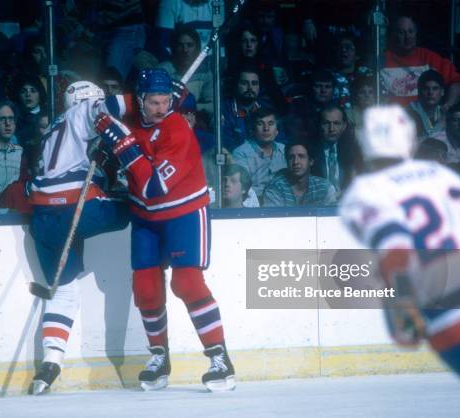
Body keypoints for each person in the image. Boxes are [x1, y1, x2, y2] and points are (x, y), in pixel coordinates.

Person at [339, 105, 460, 396]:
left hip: (457, 317)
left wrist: (401, 304)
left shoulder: (363, 192)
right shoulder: (441, 174)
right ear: (411, 140)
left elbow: (395, 249)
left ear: (363, 144)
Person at [94, 68, 236, 392]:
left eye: (165, 101)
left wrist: (123, 145)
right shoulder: (133, 114)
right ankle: (159, 357)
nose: (161, 109)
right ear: (140, 101)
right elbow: (100, 109)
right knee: (145, 288)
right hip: (145, 218)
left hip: (183, 212)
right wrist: (105, 147)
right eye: (153, 102)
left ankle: (219, 358)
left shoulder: (177, 130)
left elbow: (153, 186)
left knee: (187, 282)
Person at [28, 81, 130, 395]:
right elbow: (111, 109)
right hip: (74, 208)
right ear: (84, 100)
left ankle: (51, 362)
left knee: (63, 290)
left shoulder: (53, 129)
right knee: (135, 206)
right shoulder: (80, 112)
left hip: (43, 220)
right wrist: (154, 97)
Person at [381, 15, 460, 109]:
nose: (407, 37)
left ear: (416, 33)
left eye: (410, 31)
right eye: (401, 32)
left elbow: (456, 82)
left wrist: (448, 106)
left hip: (424, 120)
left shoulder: (429, 58)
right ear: (394, 35)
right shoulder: (381, 59)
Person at [232, 107, 287, 200]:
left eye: (271, 124)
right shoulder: (241, 153)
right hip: (253, 203)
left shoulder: (285, 150)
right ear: (253, 130)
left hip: (282, 201)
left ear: (277, 131)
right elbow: (242, 189)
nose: (266, 128)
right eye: (260, 124)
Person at [263, 141, 336, 207]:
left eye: (301, 156)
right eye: (291, 157)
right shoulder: (275, 188)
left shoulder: (324, 188)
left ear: (311, 161)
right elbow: (273, 220)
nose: (295, 162)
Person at [407, 70, 446, 141]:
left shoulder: (445, 114)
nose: (430, 92)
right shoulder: (407, 113)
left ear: (442, 92)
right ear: (419, 92)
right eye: (426, 89)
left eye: (435, 89)